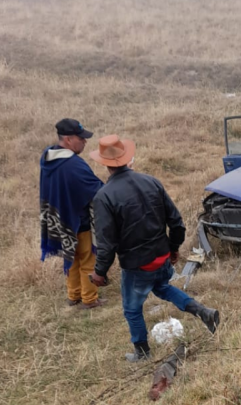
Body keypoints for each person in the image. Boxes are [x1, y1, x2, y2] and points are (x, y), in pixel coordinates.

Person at [87, 135, 220, 362]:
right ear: (128, 158)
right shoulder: (151, 181)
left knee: (131, 309)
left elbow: (106, 242)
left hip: (138, 263)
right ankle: (203, 312)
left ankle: (142, 352)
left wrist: (100, 272)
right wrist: (173, 248)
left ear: (104, 163)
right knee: (161, 287)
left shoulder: (103, 197)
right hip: (161, 255)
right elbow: (176, 221)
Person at [39, 119, 105, 309]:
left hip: (58, 220)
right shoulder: (73, 164)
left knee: (71, 258)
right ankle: (90, 299)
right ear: (68, 139)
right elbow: (97, 190)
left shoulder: (48, 156)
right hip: (78, 221)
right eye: (81, 139)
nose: (85, 142)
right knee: (87, 259)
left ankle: (73, 295)